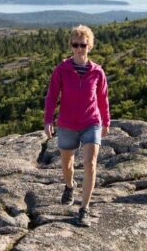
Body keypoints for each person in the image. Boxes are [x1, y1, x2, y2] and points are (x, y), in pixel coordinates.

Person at [43, 24, 110, 227]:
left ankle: (84, 209)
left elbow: (103, 99)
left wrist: (106, 121)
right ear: (71, 46)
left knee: (90, 163)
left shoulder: (97, 72)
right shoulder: (62, 70)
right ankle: (70, 185)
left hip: (91, 122)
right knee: (67, 164)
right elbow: (52, 95)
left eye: (83, 44)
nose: (79, 48)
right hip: (67, 123)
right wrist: (48, 120)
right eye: (75, 44)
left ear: (89, 45)